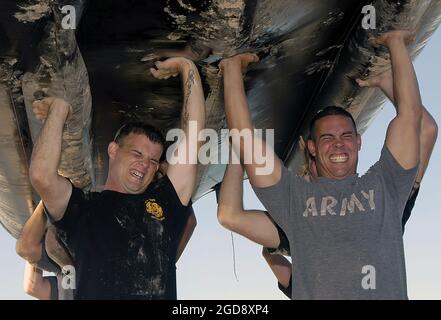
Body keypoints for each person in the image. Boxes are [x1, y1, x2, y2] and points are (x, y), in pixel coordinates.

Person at [219, 30, 428, 299]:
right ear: (312, 148)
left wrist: (396, 43)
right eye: (327, 138)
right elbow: (245, 140)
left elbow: (410, 116)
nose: (338, 144)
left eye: (346, 136)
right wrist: (232, 69)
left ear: (358, 142)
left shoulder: (387, 185)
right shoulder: (294, 199)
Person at [28, 57, 205, 299]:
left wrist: (187, 67)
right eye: (136, 153)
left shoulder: (166, 203)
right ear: (113, 150)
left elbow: (193, 138)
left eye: (153, 161)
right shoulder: (83, 208)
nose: (145, 164)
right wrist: (59, 110)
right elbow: (41, 176)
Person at [16, 202, 75, 300]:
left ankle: (46, 200)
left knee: (26, 249)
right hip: (94, 260)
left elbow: (33, 287)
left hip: (69, 268)